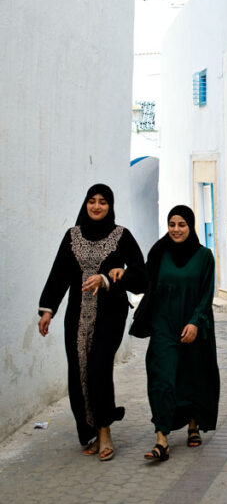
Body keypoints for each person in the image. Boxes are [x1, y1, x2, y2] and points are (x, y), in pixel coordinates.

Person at [38, 184, 146, 461]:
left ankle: (105, 430)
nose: (97, 206)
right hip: (77, 316)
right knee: (79, 372)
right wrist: (48, 310)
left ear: (110, 206)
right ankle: (90, 431)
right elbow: (59, 274)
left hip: (110, 315)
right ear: (85, 204)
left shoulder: (121, 236)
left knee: (98, 368)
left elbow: (141, 275)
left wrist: (112, 277)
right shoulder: (72, 236)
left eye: (103, 202)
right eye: (92, 201)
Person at [142, 205, 220, 462]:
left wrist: (196, 322)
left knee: (192, 376)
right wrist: (116, 275)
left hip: (194, 326)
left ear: (190, 226)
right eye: (172, 224)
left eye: (181, 225)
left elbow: (206, 294)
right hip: (163, 325)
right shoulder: (160, 253)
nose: (176, 229)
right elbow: (142, 279)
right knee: (161, 378)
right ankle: (161, 439)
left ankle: (193, 424)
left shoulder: (204, 256)